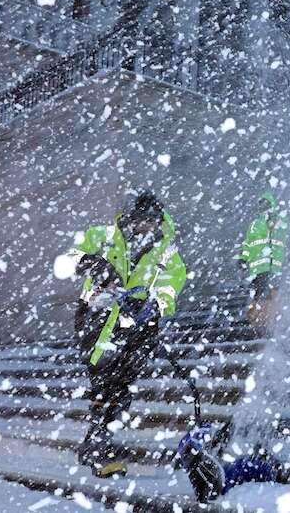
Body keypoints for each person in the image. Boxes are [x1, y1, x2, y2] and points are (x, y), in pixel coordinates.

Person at [65, 191, 186, 478]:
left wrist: (152, 305)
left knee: (121, 386)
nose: (146, 227)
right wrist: (94, 264)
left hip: (139, 328)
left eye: (152, 222)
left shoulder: (167, 252)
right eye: (142, 220)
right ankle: (100, 445)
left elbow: (171, 287)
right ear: (131, 217)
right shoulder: (104, 236)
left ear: (159, 221)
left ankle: (96, 441)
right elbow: (69, 257)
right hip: (96, 317)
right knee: (103, 377)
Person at [174, 423, 277, 503]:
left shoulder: (260, 470)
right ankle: (196, 453)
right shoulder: (257, 468)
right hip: (227, 479)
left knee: (233, 471)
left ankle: (195, 453)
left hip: (226, 481)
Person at [239, 193, 288, 327]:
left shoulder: (279, 222)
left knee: (270, 295)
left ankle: (269, 320)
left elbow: (283, 237)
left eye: (265, 204)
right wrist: (243, 258)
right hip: (258, 267)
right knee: (258, 294)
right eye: (261, 204)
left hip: (273, 266)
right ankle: (257, 320)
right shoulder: (255, 224)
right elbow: (247, 243)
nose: (262, 207)